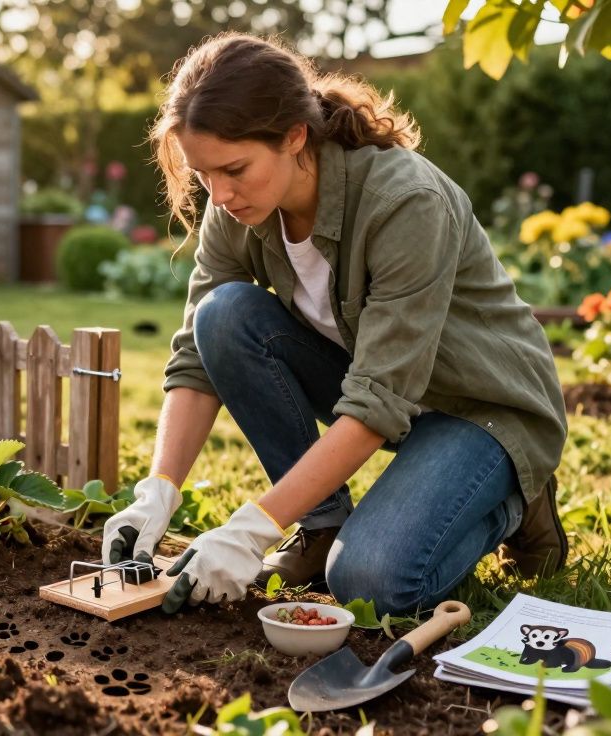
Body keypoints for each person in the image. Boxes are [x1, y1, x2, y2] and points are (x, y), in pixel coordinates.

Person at [100, 33, 570, 616]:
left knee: (372, 583)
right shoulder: (239, 206)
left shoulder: (405, 202)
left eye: (235, 168)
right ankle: (321, 529)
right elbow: (198, 356)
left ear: (295, 136)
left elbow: (378, 397)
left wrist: (254, 527)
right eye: (203, 175)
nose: (219, 195)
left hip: (483, 409)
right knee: (224, 315)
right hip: (388, 398)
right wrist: (158, 492)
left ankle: (515, 501)